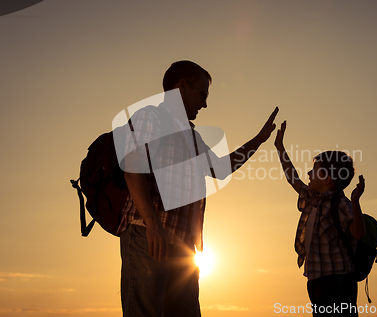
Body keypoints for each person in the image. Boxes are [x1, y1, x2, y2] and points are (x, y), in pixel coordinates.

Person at [118, 60, 278, 317]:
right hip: (148, 235)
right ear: (182, 87)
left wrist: (258, 140)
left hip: (182, 246)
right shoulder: (150, 117)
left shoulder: (191, 135)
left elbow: (221, 168)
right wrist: (152, 224)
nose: (204, 104)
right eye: (202, 94)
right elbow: (133, 170)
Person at [274, 120, 366, 316]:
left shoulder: (340, 203)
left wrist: (355, 201)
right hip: (316, 281)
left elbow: (358, 233)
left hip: (339, 281)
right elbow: (293, 179)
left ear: (327, 179)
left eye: (314, 170)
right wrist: (280, 147)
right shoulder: (313, 199)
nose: (309, 173)